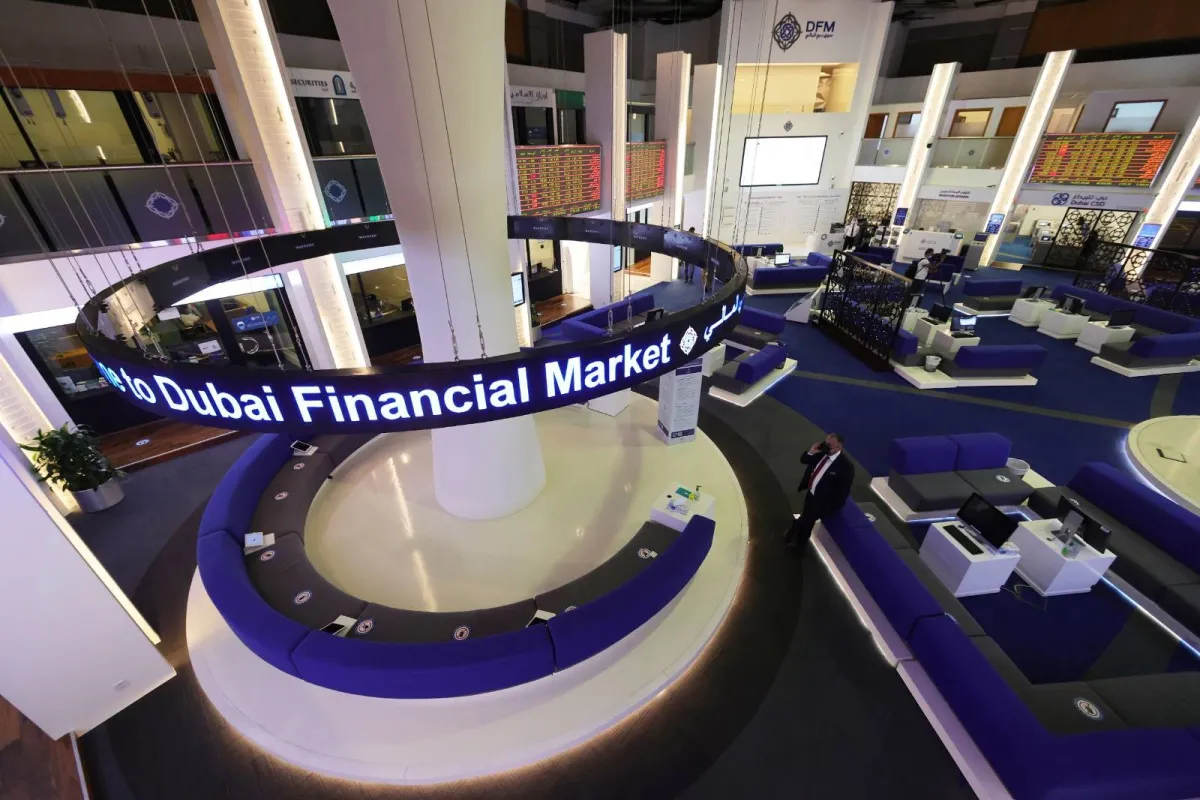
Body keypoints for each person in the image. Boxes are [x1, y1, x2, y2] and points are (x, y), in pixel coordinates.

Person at [785, 433, 855, 554]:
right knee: (806, 518)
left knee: (806, 521)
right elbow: (804, 460)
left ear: (839, 447)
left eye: (830, 445)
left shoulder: (846, 467)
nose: (826, 447)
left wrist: (830, 507)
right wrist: (811, 452)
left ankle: (798, 544)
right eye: (826, 443)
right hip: (811, 494)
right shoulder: (821, 453)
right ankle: (794, 536)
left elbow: (843, 491)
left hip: (822, 501)